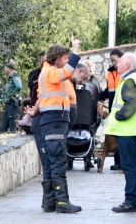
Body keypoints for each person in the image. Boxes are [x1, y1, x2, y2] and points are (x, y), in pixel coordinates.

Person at [36, 41, 82, 213]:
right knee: (58, 161)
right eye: (65, 58)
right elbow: (67, 72)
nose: (67, 60)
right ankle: (62, 202)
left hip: (50, 121)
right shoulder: (51, 72)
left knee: (50, 162)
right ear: (57, 59)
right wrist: (76, 52)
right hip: (55, 121)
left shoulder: (46, 72)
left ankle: (49, 203)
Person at [105, 53, 136, 213]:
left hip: (128, 130)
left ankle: (130, 201)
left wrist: (118, 115)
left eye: (120, 62)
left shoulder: (129, 81)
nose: (117, 64)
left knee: (129, 167)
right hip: (134, 129)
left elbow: (132, 104)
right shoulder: (135, 79)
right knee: (131, 167)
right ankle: (131, 200)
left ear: (127, 65)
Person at [69, 63, 105, 171]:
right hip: (86, 116)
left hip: (81, 115)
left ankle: (80, 157)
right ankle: (87, 158)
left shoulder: (92, 82)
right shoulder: (91, 84)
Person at [95, 48, 124, 173]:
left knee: (122, 137)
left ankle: (122, 163)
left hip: (123, 109)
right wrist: (97, 97)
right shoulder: (110, 73)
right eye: (111, 61)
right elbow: (109, 90)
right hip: (113, 109)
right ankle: (117, 163)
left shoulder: (124, 73)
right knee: (114, 136)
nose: (113, 63)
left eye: (115, 61)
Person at [0, 61, 23, 133]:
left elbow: (19, 87)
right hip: (8, 105)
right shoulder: (10, 78)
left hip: (13, 105)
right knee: (3, 127)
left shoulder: (15, 77)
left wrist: (13, 95)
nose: (5, 68)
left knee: (13, 126)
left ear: (9, 68)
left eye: (6, 67)